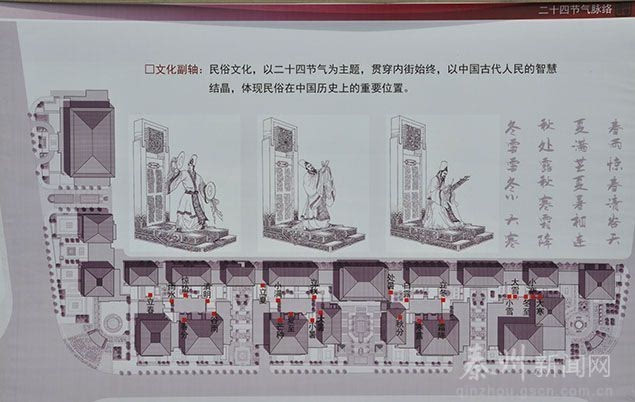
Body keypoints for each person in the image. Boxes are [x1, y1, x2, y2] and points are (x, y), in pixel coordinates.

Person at [166, 152, 222, 232]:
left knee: (197, 212)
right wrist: (169, 189)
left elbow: (202, 189)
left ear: (193, 166)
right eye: (188, 165)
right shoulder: (184, 173)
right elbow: (177, 181)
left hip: (196, 197)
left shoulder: (198, 177)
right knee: (185, 213)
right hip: (187, 197)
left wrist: (208, 196)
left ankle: (197, 226)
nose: (189, 166)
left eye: (191, 165)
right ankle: (182, 227)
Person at [422, 161, 469, 230]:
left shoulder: (442, 180)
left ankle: (456, 221)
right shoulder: (434, 179)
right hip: (434, 201)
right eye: (444, 173)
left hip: (440, 199)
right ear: (440, 172)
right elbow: (433, 192)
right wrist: (444, 190)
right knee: (439, 209)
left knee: (451, 206)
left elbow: (443, 190)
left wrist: (450, 187)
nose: (445, 175)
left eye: (446, 174)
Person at [300, 160, 335, 230]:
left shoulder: (317, 172)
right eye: (308, 166)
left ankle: (323, 223)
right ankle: (312, 225)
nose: (311, 167)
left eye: (310, 165)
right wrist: (317, 187)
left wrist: (325, 168)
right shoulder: (306, 176)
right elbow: (308, 186)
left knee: (322, 208)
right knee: (313, 209)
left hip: (320, 194)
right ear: (307, 168)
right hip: (313, 195)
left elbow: (322, 173)